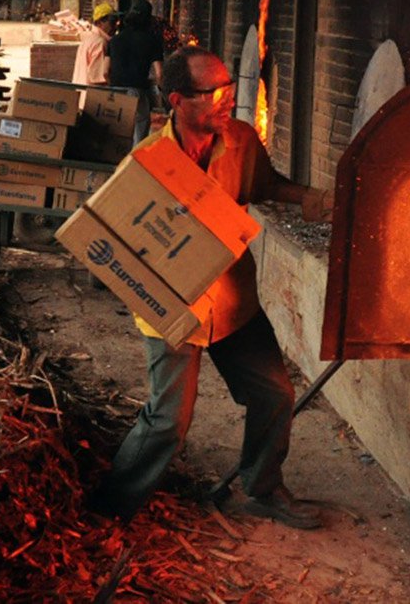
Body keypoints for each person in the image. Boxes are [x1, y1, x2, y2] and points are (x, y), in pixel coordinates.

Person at [92, 46, 333, 529]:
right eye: (212, 92)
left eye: (228, 87)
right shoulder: (148, 162)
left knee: (274, 394)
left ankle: (263, 488)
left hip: (231, 301)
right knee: (168, 423)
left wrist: (307, 196)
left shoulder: (241, 141)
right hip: (174, 309)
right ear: (179, 100)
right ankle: (108, 511)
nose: (227, 99)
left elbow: (263, 185)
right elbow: (113, 239)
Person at [107, 0, 164, 144]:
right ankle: (134, 164)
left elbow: (104, 71)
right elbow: (159, 73)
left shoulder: (114, 40)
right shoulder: (152, 40)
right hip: (136, 92)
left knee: (117, 135)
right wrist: (160, 92)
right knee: (139, 136)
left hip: (115, 92)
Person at [72, 2, 116, 86]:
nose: (115, 26)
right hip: (91, 95)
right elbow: (97, 78)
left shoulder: (88, 39)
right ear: (100, 22)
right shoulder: (99, 42)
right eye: (112, 21)